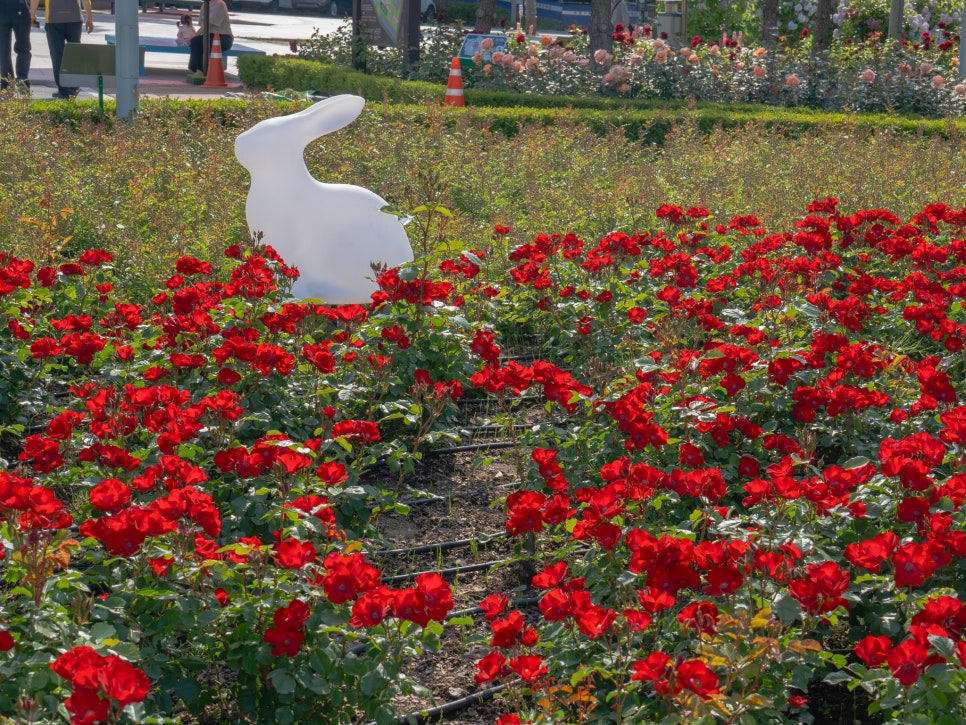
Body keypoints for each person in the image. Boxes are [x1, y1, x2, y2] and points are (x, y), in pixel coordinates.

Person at [29, 0, 93, 99]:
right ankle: (73, 88)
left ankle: (63, 91)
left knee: (57, 56)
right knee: (74, 55)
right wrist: (89, 18)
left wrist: (32, 14)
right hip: (74, 20)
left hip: (53, 20)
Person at [188, 0, 233, 77]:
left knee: (200, 41)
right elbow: (202, 24)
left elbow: (209, 24)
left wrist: (194, 35)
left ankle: (202, 70)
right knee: (195, 40)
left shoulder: (220, 4)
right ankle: (194, 68)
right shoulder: (204, 5)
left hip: (223, 37)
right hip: (209, 35)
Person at [0, 0, 31, 91]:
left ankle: (7, 84)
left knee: (3, 50)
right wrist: (32, 12)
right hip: (19, 5)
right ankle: (22, 78)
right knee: (23, 47)